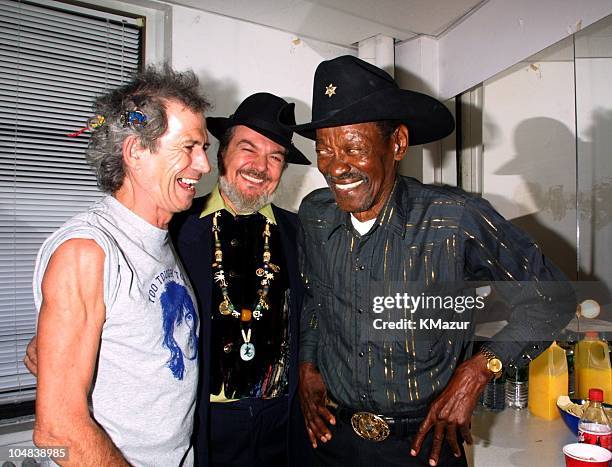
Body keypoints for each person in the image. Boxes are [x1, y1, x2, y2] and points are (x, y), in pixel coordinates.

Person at [280, 55, 576, 467]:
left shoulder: (455, 219)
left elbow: (553, 298)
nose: (335, 167)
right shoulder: (315, 214)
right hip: (330, 439)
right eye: (324, 150)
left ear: (397, 143)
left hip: (423, 446)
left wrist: (478, 370)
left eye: (353, 148)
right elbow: (315, 298)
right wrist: (308, 364)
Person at [30, 65, 211, 466]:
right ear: (135, 152)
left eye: (204, 149)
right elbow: (57, 429)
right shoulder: (86, 251)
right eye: (188, 147)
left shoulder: (157, 236)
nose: (203, 166)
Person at [169, 92, 314, 467]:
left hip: (283, 423)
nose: (260, 166)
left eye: (275, 157)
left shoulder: (302, 234)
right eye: (248, 149)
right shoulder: (175, 226)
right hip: (206, 423)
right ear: (222, 154)